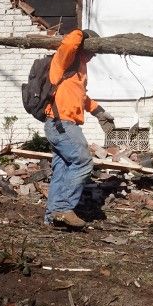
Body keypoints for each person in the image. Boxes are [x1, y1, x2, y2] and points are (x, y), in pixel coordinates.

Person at [43, 29, 116, 228]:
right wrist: (81, 33)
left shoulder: (80, 68)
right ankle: (64, 209)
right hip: (61, 124)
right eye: (92, 50)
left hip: (64, 125)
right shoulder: (64, 60)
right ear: (84, 45)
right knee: (83, 162)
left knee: (62, 169)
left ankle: (52, 217)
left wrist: (99, 111)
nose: (94, 55)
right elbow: (68, 44)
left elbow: (81, 97)